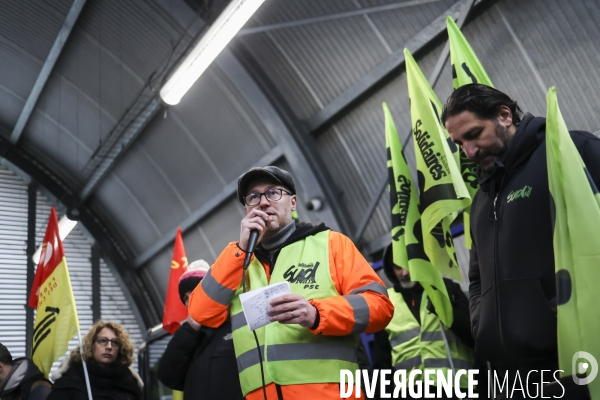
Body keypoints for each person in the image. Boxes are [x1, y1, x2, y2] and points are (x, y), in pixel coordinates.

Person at [441, 83, 600, 399]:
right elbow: (477, 279)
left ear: (504, 115)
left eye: (474, 135)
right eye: (459, 143)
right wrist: (482, 326)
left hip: (575, 364)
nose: (468, 151)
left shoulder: (570, 152)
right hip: (511, 379)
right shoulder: (482, 199)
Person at [188, 166, 394, 400]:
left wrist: (317, 313)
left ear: (293, 203)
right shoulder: (237, 263)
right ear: (246, 210)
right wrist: (239, 250)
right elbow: (200, 313)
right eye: (253, 197)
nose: (263, 203)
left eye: (273, 193)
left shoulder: (332, 244)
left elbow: (380, 307)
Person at [372, 245, 476, 399]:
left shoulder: (445, 289)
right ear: (390, 270)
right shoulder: (385, 304)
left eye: (407, 264)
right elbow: (382, 364)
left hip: (457, 387)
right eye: (397, 267)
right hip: (410, 393)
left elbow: (474, 336)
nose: (405, 273)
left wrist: (446, 311)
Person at [157, 259, 244, 399]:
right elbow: (168, 375)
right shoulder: (190, 336)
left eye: (195, 293)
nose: (189, 301)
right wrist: (189, 330)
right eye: (185, 298)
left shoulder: (236, 324)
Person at [47, 320, 142, 400]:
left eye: (115, 342)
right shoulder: (71, 379)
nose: (109, 347)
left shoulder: (129, 383)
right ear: (91, 345)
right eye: (102, 341)